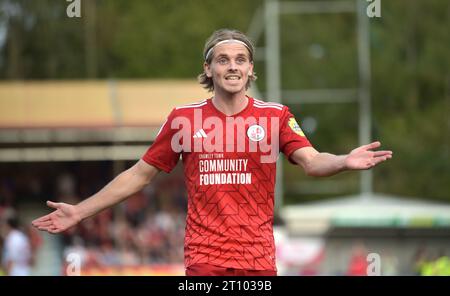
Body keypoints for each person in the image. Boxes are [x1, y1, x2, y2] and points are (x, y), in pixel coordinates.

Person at [32, 28, 393, 276]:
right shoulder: (183, 119)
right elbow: (139, 175)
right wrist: (80, 210)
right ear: (209, 68)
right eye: (223, 59)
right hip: (205, 257)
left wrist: (344, 161)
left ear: (251, 69)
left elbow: (312, 162)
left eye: (240, 59)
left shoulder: (275, 116)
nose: (232, 66)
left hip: (258, 257)